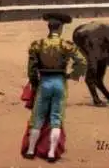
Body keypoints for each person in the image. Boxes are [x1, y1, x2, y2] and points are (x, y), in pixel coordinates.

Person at [21, 12, 87, 163]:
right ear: (61, 28)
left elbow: (31, 69)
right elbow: (82, 62)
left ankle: (31, 150)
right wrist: (73, 75)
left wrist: (35, 83)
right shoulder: (66, 45)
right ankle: (51, 153)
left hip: (44, 82)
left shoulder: (37, 45)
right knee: (56, 118)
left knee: (37, 118)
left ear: (48, 28)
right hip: (59, 82)